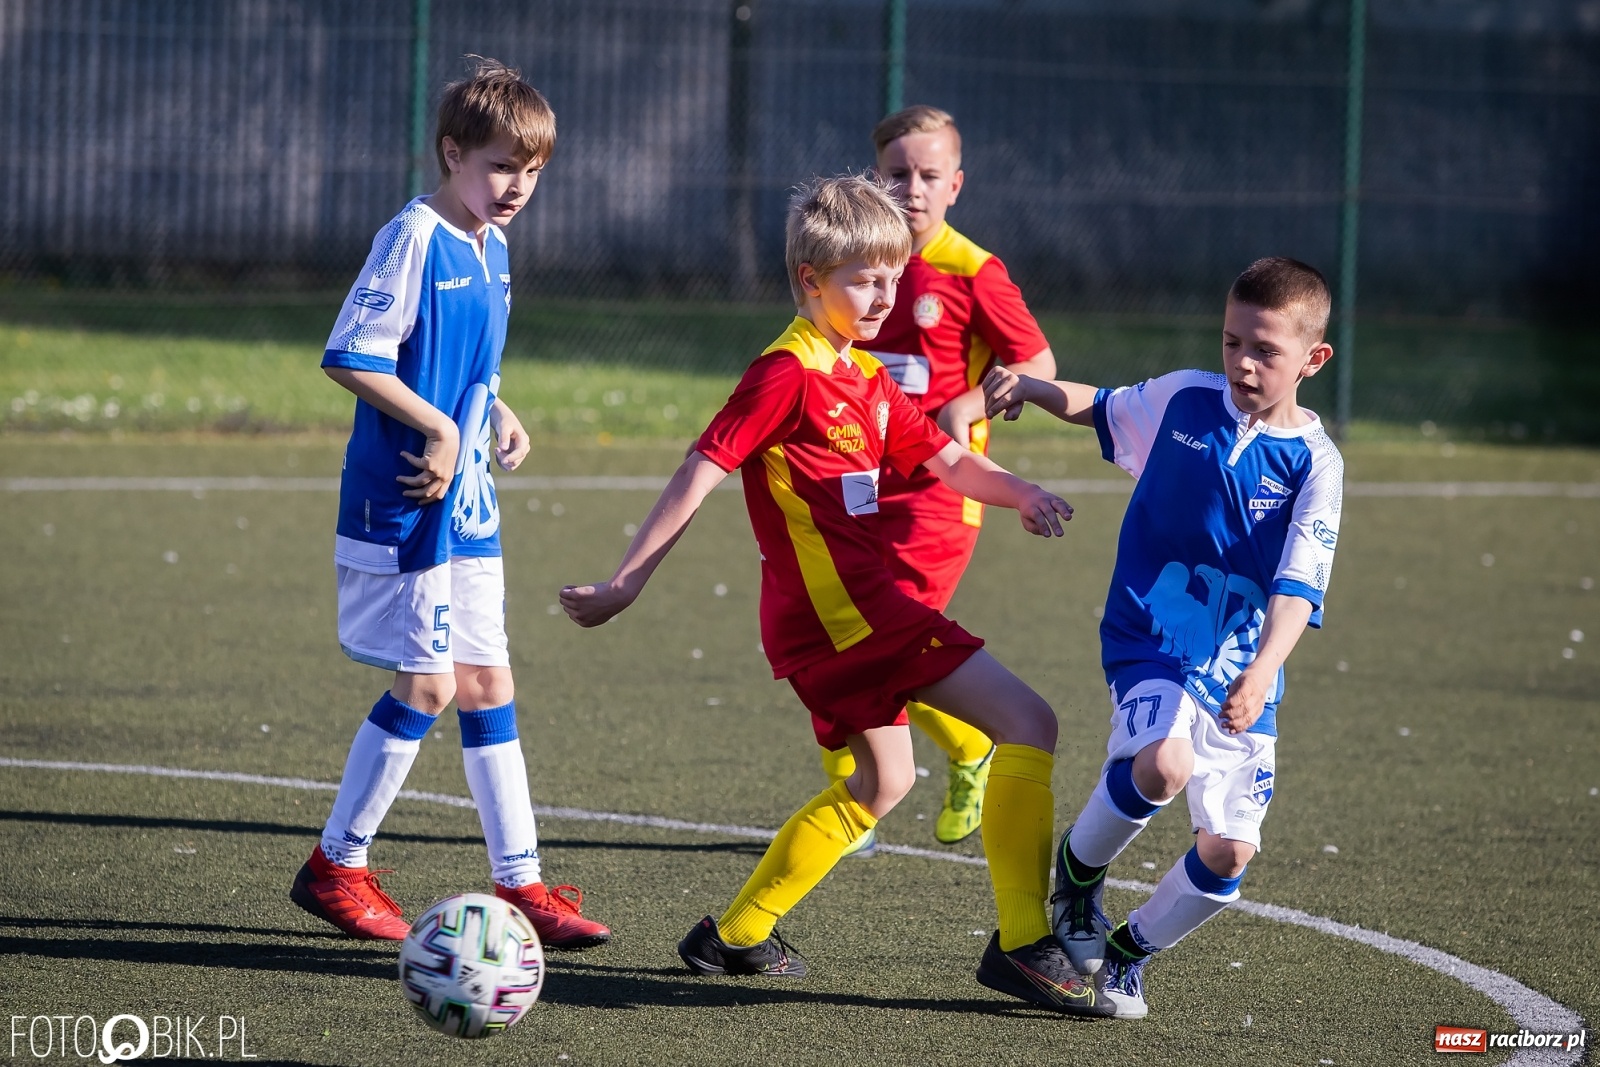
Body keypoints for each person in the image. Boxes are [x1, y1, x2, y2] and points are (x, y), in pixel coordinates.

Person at [561, 174, 1108, 1015]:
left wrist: (1022, 490)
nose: (884, 295)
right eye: (864, 278)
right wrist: (626, 581)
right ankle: (1024, 942)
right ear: (809, 280)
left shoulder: (861, 374)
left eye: (893, 277)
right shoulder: (787, 372)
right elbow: (701, 469)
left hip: (839, 614)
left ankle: (736, 934)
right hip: (848, 615)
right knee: (1030, 722)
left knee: (882, 780)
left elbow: (948, 461)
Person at [290, 58, 610, 950]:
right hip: (403, 500)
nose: (518, 187)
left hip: (465, 502)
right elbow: (351, 354)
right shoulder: (415, 236)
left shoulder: (491, 247)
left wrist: (494, 409)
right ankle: (336, 865)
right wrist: (439, 428)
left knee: (487, 681)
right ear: (451, 152)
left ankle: (523, 883)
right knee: (428, 683)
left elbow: (467, 363)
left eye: (533, 170)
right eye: (502, 165)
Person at [981, 257, 1345, 1017]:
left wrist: (1260, 673)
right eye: (1231, 341)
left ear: (1313, 359)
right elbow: (1104, 408)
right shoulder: (1186, 398)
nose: (1242, 362)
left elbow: (1297, 587)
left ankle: (1126, 952)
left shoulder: (1316, 463)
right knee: (1166, 761)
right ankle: (1079, 878)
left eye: (1265, 350)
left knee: (1230, 854)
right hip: (1148, 631)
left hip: (1242, 668)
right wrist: (1034, 386)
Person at [821, 106, 1059, 852]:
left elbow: (1038, 365)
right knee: (839, 636)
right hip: (856, 481)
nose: (913, 189)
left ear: (955, 185)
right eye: (898, 174)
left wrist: (968, 399)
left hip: (939, 492)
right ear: (875, 179)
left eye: (929, 176)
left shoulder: (972, 270)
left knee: (887, 638)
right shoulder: (855, 266)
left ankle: (858, 794)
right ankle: (964, 746)